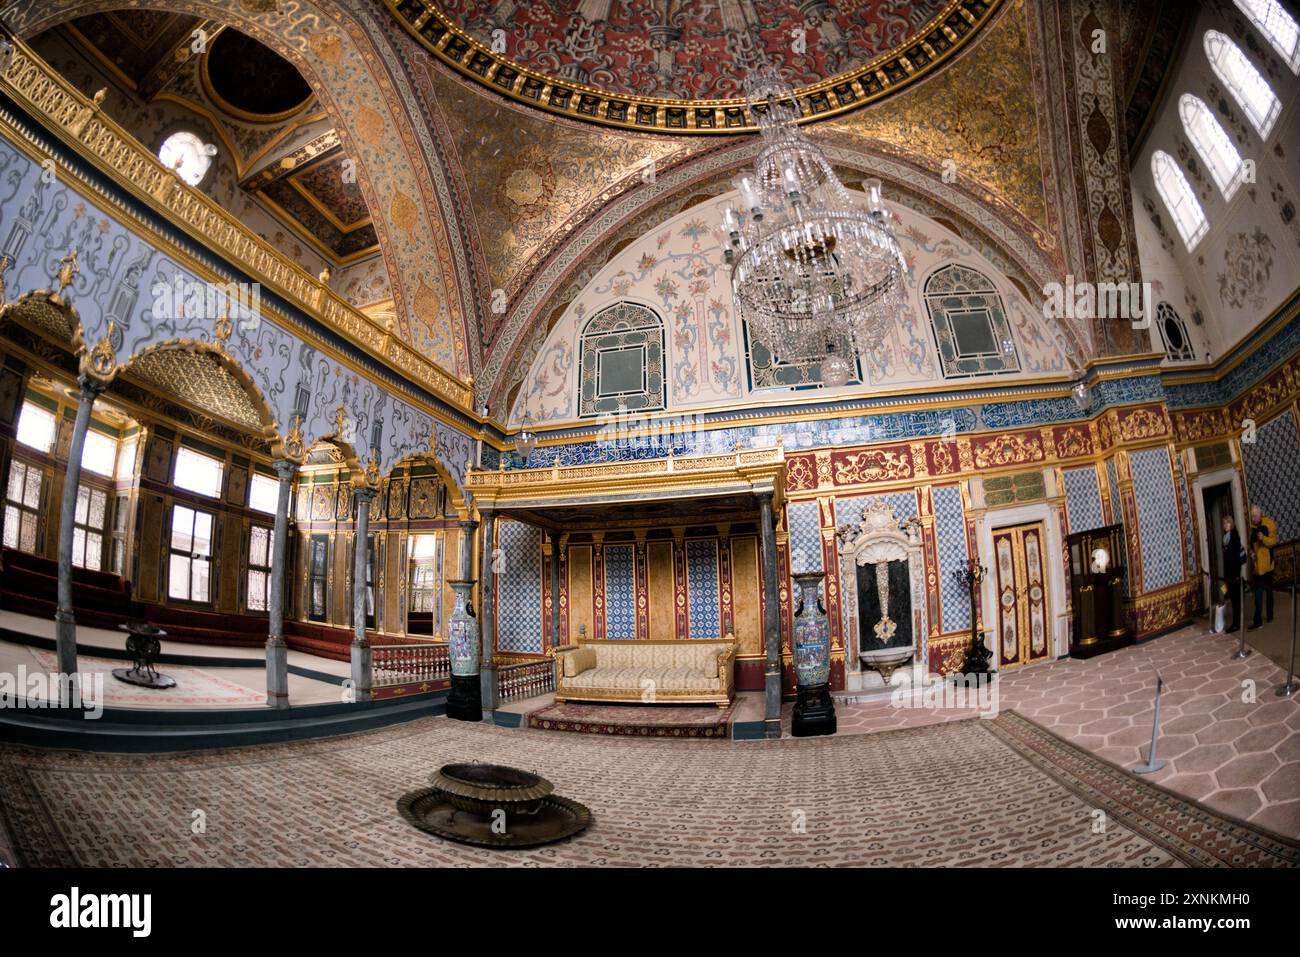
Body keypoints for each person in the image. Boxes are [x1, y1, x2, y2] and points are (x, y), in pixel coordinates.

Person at [1247, 504, 1278, 631]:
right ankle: (1258, 621)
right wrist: (1252, 554)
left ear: (1260, 514)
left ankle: (1270, 615)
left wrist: (1263, 538)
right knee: (1258, 595)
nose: (1253, 518)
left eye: (1254, 516)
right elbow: (1250, 546)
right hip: (1257, 568)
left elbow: (1273, 542)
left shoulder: (1269, 523)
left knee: (1269, 593)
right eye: (1252, 516)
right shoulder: (1252, 528)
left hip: (1268, 567)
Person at [1221, 515, 1243, 633]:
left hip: (1234, 572)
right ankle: (1235, 622)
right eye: (1224, 523)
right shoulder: (1224, 537)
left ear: (1231, 523)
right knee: (1232, 598)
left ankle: (1236, 623)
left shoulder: (1234, 535)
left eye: (1227, 523)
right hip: (1228, 573)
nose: (1225, 525)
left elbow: (1235, 557)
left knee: (1236, 599)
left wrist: (1236, 574)